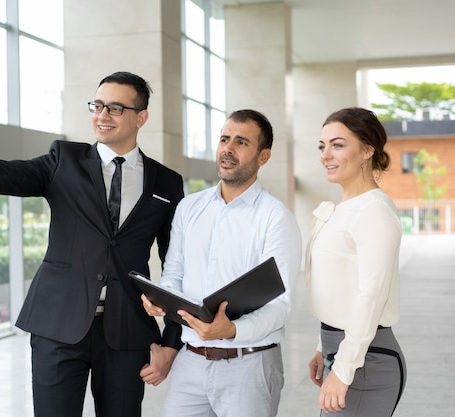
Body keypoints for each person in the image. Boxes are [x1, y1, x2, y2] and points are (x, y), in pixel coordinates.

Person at [0, 71, 185, 417]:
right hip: (57, 324)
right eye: (98, 105)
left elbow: (176, 264)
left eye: (115, 108)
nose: (102, 116)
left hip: (128, 331)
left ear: (140, 117)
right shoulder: (64, 161)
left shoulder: (166, 182)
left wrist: (171, 343)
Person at [142, 109, 302, 417]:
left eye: (241, 142)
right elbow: (173, 274)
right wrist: (160, 298)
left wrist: (230, 330)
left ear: (263, 156)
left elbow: (280, 306)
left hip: (249, 366)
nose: (228, 148)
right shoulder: (189, 208)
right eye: (224, 139)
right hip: (190, 364)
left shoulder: (275, 218)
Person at [305, 107, 407, 416]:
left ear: (367, 149)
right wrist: (324, 347)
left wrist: (345, 368)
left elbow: (370, 297)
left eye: (337, 144)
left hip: (366, 361)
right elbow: (339, 287)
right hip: (344, 350)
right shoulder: (345, 208)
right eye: (322, 146)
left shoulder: (374, 211)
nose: (326, 154)